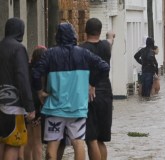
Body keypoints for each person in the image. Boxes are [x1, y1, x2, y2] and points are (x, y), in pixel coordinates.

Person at [32, 22, 109, 160]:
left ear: (58, 37)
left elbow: (35, 73)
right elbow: (104, 67)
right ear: (73, 35)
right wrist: (92, 83)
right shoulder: (84, 53)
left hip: (54, 107)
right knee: (78, 142)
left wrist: (39, 91)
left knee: (53, 143)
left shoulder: (50, 54)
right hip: (77, 107)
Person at [0, 17, 35, 160]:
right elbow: (22, 77)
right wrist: (30, 106)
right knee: (13, 143)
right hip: (13, 106)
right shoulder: (19, 49)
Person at [79, 18, 114, 160]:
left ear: (85, 31)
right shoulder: (106, 47)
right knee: (101, 139)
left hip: (89, 95)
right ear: (99, 32)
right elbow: (110, 40)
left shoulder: (81, 49)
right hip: (106, 93)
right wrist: (110, 35)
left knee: (91, 138)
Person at [21, 45, 47, 160]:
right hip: (38, 109)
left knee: (28, 140)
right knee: (37, 142)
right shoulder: (43, 72)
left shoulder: (26, 69)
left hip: (26, 107)